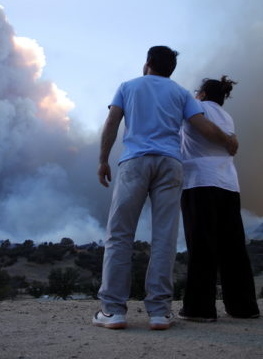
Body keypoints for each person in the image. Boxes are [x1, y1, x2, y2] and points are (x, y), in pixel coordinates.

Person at [93, 46, 238, 331]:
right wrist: (228, 141)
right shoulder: (181, 93)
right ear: (171, 69)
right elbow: (201, 125)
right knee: (164, 238)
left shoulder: (128, 87)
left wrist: (102, 160)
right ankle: (159, 312)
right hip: (171, 164)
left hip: (134, 162)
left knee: (120, 235)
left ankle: (113, 311)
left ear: (147, 64)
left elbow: (112, 122)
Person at [178, 76, 260, 322]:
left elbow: (201, 128)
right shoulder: (227, 116)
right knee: (233, 247)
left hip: (200, 182)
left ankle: (199, 309)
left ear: (201, 93)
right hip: (228, 184)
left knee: (202, 245)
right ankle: (244, 307)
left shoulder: (196, 109)